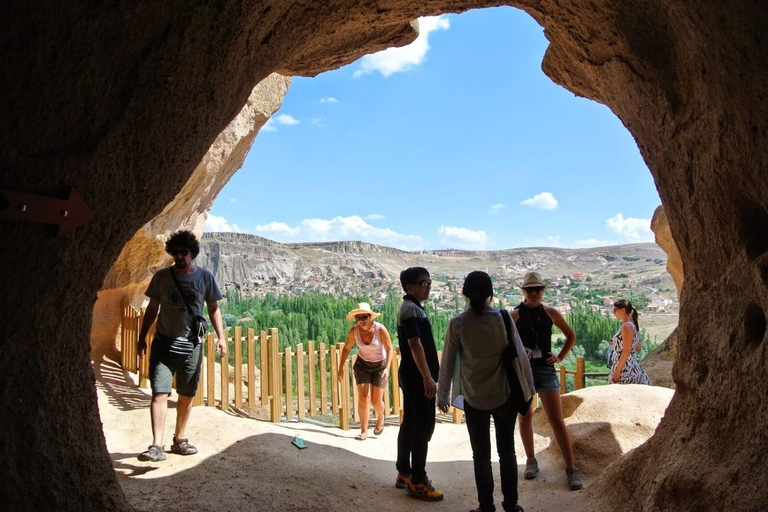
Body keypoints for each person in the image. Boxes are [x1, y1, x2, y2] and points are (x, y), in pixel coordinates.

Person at [437, 271, 533, 512]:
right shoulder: (502, 318)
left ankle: (486, 507)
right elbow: (521, 355)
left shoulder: (458, 323)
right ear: (491, 293)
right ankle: (510, 505)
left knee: (480, 455)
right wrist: (529, 391)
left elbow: (447, 361)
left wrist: (442, 395)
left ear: (465, 294)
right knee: (507, 452)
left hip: (474, 397)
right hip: (505, 395)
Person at [136, 230, 226, 462]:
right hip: (164, 343)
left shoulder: (205, 278)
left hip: (192, 345)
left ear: (192, 253)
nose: (179, 256)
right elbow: (152, 309)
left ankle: (180, 439)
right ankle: (156, 445)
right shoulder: (162, 277)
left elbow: (214, 308)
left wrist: (221, 337)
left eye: (183, 252)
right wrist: (142, 336)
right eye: (175, 252)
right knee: (159, 393)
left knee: (186, 395)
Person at [512, 272, 583, 491]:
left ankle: (571, 468)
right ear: (523, 292)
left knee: (557, 419)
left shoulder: (550, 313)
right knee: (525, 417)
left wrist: (560, 357)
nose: (534, 293)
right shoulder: (514, 316)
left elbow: (571, 336)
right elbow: (507, 342)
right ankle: (531, 461)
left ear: (543, 291)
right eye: (529, 289)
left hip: (545, 369)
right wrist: (522, 352)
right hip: (523, 371)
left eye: (537, 289)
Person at [394, 267, 444, 501]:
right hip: (417, 378)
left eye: (429, 281)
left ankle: (404, 472)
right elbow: (415, 345)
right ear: (409, 287)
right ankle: (418, 480)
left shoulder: (410, 308)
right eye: (423, 283)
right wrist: (427, 377)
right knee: (422, 428)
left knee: (411, 423)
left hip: (411, 375)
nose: (428, 286)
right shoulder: (412, 311)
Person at [337, 302, 394, 440]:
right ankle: (364, 431)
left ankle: (381, 418)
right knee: (363, 397)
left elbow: (389, 349)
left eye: (364, 317)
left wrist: (387, 368)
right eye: (359, 318)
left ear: (370, 317)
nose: (361, 321)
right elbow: (346, 348)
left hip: (379, 366)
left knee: (376, 401)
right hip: (362, 365)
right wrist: (340, 368)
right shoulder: (354, 331)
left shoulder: (380, 329)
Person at [609, 299, 653, 385]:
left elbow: (626, 351)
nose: (614, 313)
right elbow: (638, 347)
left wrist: (617, 372)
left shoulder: (627, 327)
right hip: (630, 365)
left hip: (625, 368)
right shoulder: (632, 325)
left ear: (623, 310)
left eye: (615, 310)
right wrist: (617, 343)